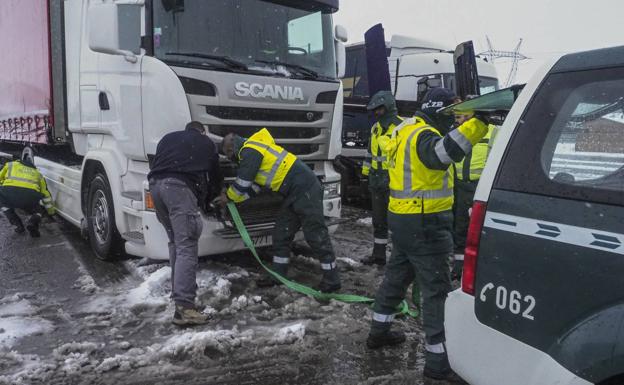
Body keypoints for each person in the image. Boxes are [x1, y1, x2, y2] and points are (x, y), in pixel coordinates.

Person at [365, 87, 489, 382]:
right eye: (452, 114)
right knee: (435, 290)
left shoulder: (406, 129)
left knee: (396, 277)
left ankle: (378, 331)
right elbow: (442, 155)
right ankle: (438, 361)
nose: (454, 121)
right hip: (425, 222)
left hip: (403, 219)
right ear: (439, 110)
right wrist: (479, 123)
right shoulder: (423, 135)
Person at [219, 128, 341, 293]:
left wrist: (228, 196)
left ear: (230, 148)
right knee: (281, 233)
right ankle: (279, 275)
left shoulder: (249, 151)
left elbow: (243, 184)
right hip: (294, 193)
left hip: (305, 189)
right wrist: (234, 198)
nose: (229, 158)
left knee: (315, 234)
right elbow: (255, 188)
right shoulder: (253, 150)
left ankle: (332, 279)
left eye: (227, 155)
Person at [148, 121, 222, 326]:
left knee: (175, 243)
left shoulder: (168, 138)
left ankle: (178, 295)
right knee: (187, 245)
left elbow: (157, 164)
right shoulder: (206, 143)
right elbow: (214, 178)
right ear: (202, 131)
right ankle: (185, 308)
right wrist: (210, 201)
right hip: (178, 189)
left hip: (155, 187)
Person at [451, 111, 496, 279]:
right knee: (460, 227)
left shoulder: (493, 131)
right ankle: (458, 266)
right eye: (460, 117)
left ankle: (482, 266)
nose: (462, 120)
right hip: (460, 186)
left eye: (466, 117)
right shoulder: (458, 132)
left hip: (481, 187)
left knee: (481, 229)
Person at [361, 91, 403, 266]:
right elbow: (370, 154)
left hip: (395, 183)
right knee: (378, 221)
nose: (376, 113)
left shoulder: (402, 128)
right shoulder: (375, 128)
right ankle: (379, 256)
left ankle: (399, 259)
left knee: (398, 224)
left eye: (378, 109)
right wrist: (366, 175)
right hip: (376, 181)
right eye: (375, 110)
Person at [0, 153, 55, 237]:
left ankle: (18, 226)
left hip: (9, 194)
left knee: (4, 205)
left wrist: (4, 185)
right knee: (38, 212)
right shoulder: (38, 174)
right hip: (29, 197)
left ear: (19, 161)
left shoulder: (11, 165)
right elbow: (45, 194)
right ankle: (32, 222)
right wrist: (51, 212)